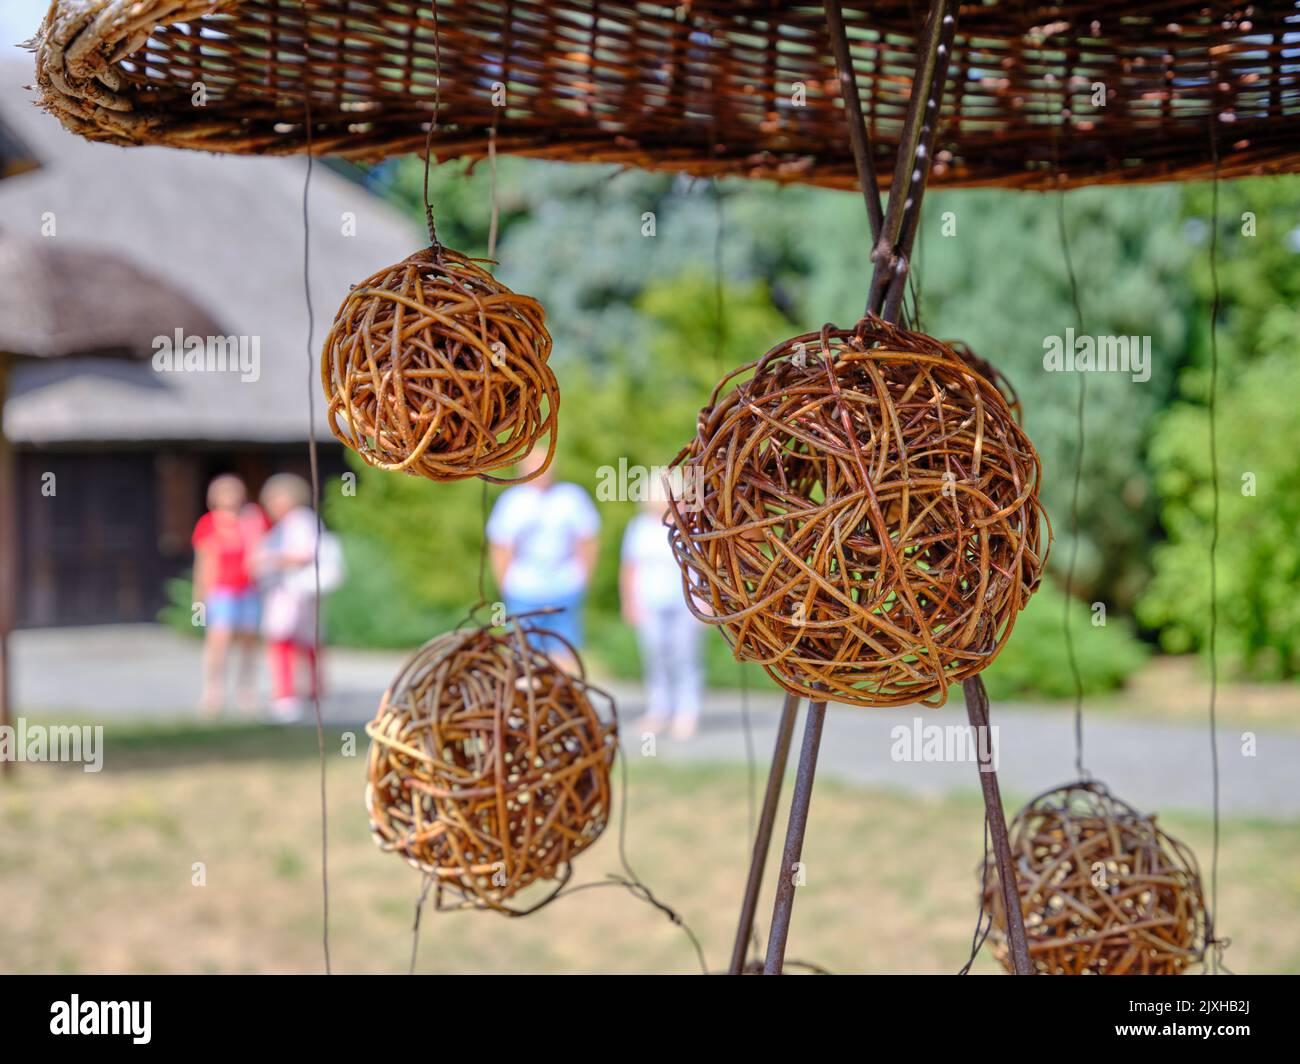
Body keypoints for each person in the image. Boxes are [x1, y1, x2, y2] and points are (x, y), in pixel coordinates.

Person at [487, 447, 599, 671]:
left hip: (563, 585)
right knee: (522, 652)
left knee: (564, 651)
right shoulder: (512, 501)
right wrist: (506, 583)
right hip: (524, 588)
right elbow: (500, 547)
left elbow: (587, 539)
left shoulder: (570, 497)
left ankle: (563, 700)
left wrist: (582, 577)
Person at [254, 473, 338, 723]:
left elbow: (303, 554)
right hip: (297, 591)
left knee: (282, 640)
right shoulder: (296, 522)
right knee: (306, 640)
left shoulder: (299, 520)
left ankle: (286, 696)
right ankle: (313, 691)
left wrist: (268, 559)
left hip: (292, 590)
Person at [620, 496, 704, 740]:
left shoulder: (691, 526)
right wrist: (629, 601)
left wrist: (704, 603)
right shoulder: (640, 527)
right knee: (655, 655)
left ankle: (687, 711)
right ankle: (659, 709)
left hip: (685, 601)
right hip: (650, 601)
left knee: (686, 655)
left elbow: (701, 567)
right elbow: (630, 566)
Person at [192, 473, 267, 717]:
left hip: (248, 590)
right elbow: (203, 562)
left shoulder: (251, 520)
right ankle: (213, 692)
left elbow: (262, 550)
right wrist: (199, 596)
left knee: (248, 642)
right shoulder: (208, 524)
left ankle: (246, 690)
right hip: (221, 591)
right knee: (218, 642)